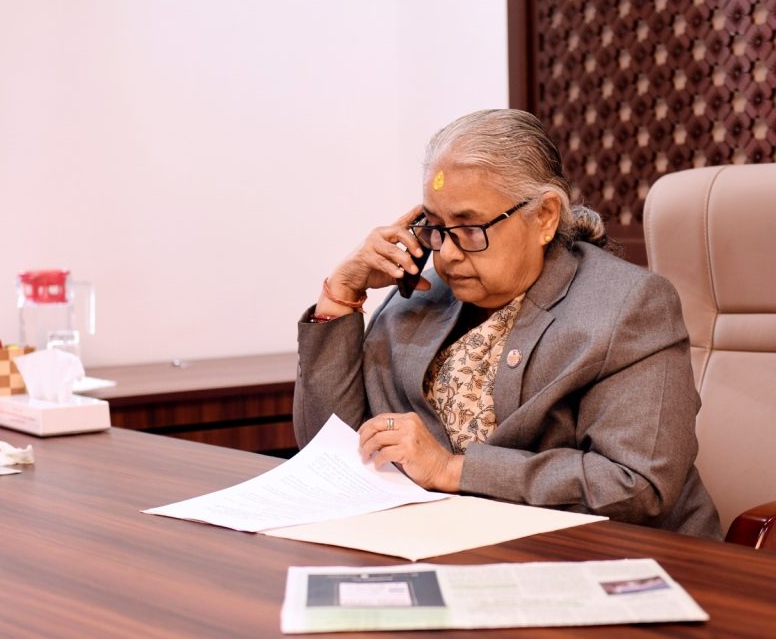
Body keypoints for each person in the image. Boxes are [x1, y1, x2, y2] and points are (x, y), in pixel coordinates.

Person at [293, 109, 721, 539]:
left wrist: (451, 470)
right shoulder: (421, 294)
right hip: (447, 543)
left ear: (545, 216)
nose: (447, 254)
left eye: (470, 227)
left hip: (606, 554)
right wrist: (341, 295)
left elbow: (637, 487)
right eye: (435, 227)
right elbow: (328, 451)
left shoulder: (628, 305)